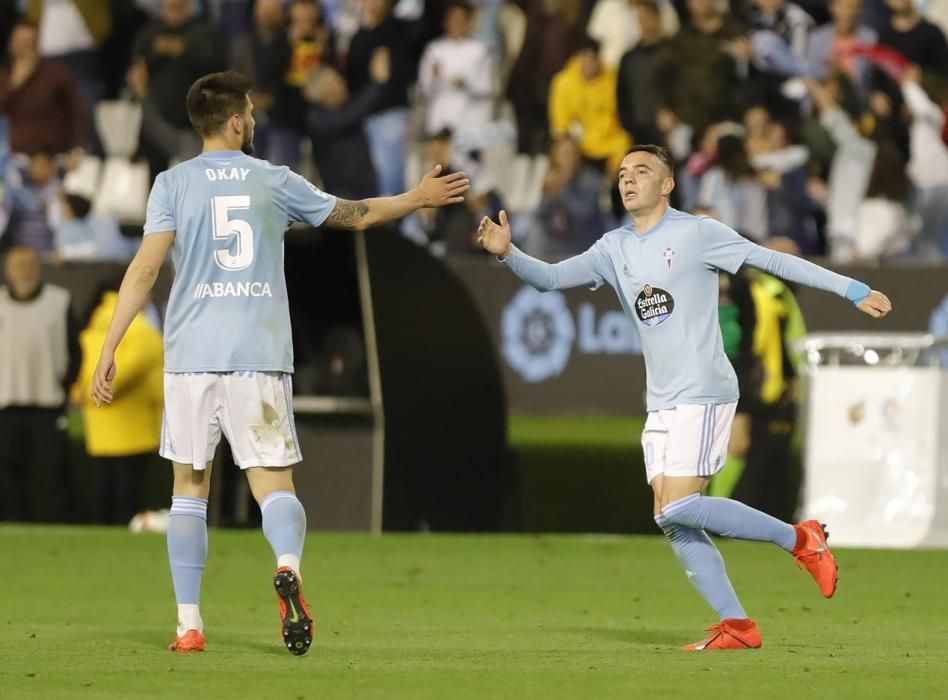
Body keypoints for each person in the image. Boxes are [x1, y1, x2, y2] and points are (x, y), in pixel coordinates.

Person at [89, 71, 468, 655]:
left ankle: (189, 625)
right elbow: (356, 215)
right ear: (237, 120)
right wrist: (415, 198)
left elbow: (142, 270)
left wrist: (111, 345)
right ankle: (287, 564)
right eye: (250, 111)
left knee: (189, 491)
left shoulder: (171, 184)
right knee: (274, 486)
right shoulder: (273, 180)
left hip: (191, 359)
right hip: (258, 358)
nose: (255, 120)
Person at [475, 144, 892, 650]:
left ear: (668, 184)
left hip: (705, 388)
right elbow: (551, 278)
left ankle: (801, 539)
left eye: (642, 171)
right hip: (663, 399)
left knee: (678, 508)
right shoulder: (614, 247)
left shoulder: (698, 233)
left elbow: (774, 261)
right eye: (623, 173)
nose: (628, 180)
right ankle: (738, 626)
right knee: (668, 517)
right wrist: (508, 253)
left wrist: (852, 289)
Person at [0, 246, 80, 523]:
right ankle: (13, 525)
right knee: (8, 472)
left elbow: (75, 349)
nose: (25, 270)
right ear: (7, 270)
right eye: (19, 265)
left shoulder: (59, 301)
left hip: (48, 404)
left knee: (54, 471)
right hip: (6, 405)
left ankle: (59, 524)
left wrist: (66, 386)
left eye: (30, 264)